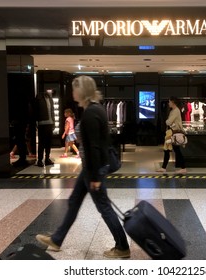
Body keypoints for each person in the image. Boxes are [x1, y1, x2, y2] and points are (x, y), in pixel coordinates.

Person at [36, 76, 130, 259]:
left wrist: (94, 177)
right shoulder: (93, 109)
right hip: (90, 167)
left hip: (93, 169)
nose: (72, 92)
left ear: (82, 91)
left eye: (74, 89)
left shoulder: (91, 112)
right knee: (74, 202)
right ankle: (57, 239)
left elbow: (94, 146)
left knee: (104, 207)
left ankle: (122, 246)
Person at [156, 96, 187, 174]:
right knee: (169, 150)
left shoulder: (175, 111)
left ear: (173, 102)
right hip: (171, 133)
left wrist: (167, 121)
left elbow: (168, 122)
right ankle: (164, 167)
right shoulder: (174, 110)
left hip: (173, 133)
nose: (168, 103)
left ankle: (182, 167)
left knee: (172, 150)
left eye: (169, 102)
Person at [34, 89, 55, 167]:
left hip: (50, 123)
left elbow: (52, 111)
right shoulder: (39, 98)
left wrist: (54, 123)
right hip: (42, 123)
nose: (50, 92)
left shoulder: (50, 99)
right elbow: (36, 110)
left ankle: (47, 159)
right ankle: (40, 160)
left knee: (48, 142)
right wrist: (36, 121)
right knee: (42, 143)